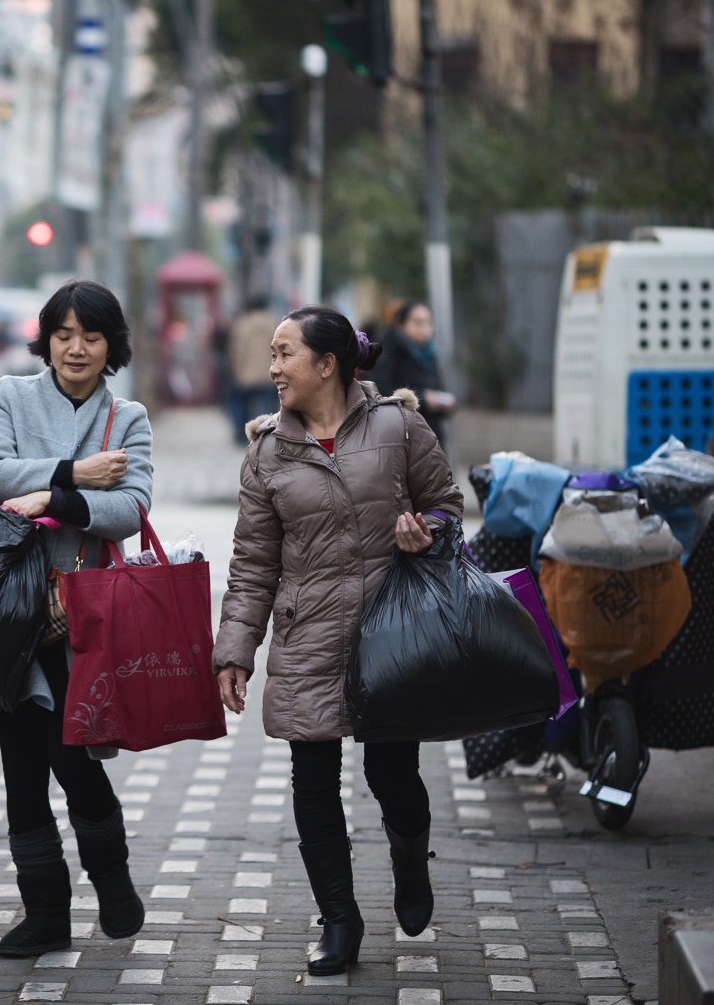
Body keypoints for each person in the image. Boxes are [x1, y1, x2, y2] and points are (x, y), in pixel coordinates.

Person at [213, 305, 463, 977]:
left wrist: (426, 529)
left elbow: (447, 503)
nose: (272, 368)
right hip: (309, 636)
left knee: (394, 776)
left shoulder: (400, 426)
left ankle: (412, 860)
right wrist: (236, 650)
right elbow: (253, 563)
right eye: (271, 353)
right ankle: (340, 919)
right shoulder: (267, 451)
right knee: (314, 781)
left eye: (284, 354)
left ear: (328, 364)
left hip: (392, 631)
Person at [0, 278, 153, 957]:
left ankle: (112, 875)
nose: (76, 348)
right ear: (46, 338)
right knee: (22, 768)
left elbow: (133, 508)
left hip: (86, 617)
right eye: (64, 333)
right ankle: (45, 913)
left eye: (92, 335)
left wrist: (52, 498)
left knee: (70, 755)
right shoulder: (9, 396)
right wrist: (75, 476)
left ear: (112, 346)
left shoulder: (127, 417)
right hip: (10, 610)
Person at [369, 300, 456, 447]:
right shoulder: (389, 354)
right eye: (417, 322)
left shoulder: (429, 354)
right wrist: (423, 399)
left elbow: (439, 388)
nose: (424, 328)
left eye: (428, 322)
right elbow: (381, 393)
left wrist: (444, 405)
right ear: (401, 325)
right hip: (401, 440)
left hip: (431, 437)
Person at [225, 298, 281, 443]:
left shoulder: (242, 324)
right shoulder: (273, 323)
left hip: (246, 372)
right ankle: (267, 434)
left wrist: (236, 369)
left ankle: (241, 433)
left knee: (242, 404)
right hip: (269, 372)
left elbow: (238, 351)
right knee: (267, 405)